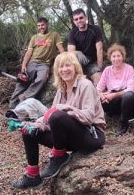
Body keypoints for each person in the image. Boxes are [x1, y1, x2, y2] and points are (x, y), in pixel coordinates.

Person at [12, 52, 106, 189]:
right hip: (69, 138)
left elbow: (88, 117)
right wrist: (35, 125)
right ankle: (33, 176)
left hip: (91, 136)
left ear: (75, 67)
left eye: (68, 65)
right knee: (29, 131)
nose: (64, 69)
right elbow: (52, 121)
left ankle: (58, 156)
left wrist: (64, 108)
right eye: (61, 67)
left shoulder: (86, 85)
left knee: (58, 115)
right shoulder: (61, 91)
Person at [8, 17, 65, 109]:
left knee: (42, 79)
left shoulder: (54, 35)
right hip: (32, 62)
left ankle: (25, 97)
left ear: (47, 25)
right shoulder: (34, 37)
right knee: (22, 82)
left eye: (42, 25)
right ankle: (12, 107)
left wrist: (66, 60)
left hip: (44, 64)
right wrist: (24, 65)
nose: (41, 27)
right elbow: (29, 52)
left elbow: (61, 49)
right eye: (39, 26)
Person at [96, 44, 134, 136]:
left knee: (129, 95)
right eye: (114, 56)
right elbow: (98, 88)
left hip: (128, 101)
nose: (116, 59)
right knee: (96, 98)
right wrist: (102, 95)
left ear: (122, 57)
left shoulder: (129, 69)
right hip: (112, 100)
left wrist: (113, 95)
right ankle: (98, 123)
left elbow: (131, 89)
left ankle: (123, 122)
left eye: (118, 56)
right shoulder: (107, 70)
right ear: (110, 58)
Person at [67, 8, 104, 85]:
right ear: (74, 21)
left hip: (92, 63)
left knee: (98, 78)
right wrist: (78, 53)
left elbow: (99, 49)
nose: (79, 20)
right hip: (78, 63)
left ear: (86, 17)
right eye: (76, 19)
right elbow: (70, 51)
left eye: (81, 18)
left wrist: (99, 68)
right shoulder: (72, 33)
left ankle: (96, 95)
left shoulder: (95, 29)